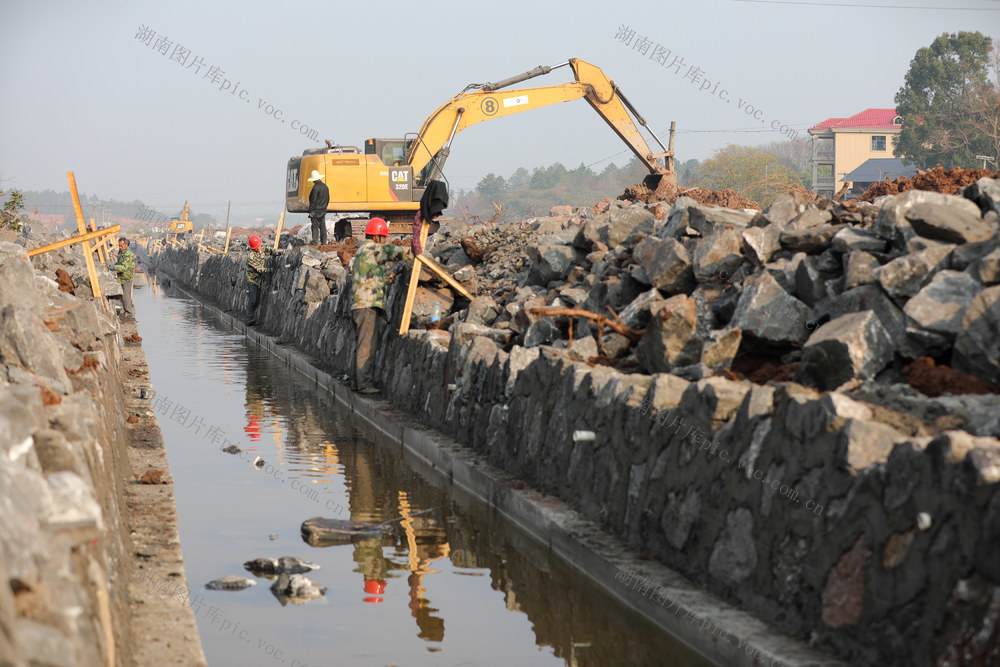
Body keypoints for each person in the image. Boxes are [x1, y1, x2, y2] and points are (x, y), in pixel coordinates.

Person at [348, 218, 412, 393]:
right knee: (367, 345)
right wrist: (414, 251)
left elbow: (373, 276)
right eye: (384, 238)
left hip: (358, 304)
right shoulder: (374, 249)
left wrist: (393, 274)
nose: (385, 241)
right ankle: (364, 384)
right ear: (377, 236)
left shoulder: (362, 252)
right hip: (368, 305)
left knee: (359, 343)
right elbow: (395, 252)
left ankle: (355, 382)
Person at [245, 235, 269, 325]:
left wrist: (277, 253)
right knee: (252, 300)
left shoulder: (260, 250)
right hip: (252, 281)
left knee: (257, 300)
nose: (260, 246)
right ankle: (249, 319)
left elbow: (268, 250)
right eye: (259, 244)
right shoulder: (251, 257)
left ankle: (252, 317)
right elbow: (259, 269)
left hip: (258, 280)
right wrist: (269, 270)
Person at [113, 237, 136, 317]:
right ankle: (124, 310)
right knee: (121, 295)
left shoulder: (128, 254)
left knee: (126, 294)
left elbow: (124, 267)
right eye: (119, 245)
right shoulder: (121, 251)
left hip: (127, 276)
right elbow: (119, 262)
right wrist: (115, 265)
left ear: (126, 245)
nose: (120, 247)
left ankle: (129, 312)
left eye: (121, 245)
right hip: (121, 276)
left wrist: (114, 267)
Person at [307, 170, 330, 246]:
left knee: (315, 227)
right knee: (323, 226)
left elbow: (313, 201)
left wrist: (311, 211)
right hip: (323, 210)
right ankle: (324, 242)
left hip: (316, 211)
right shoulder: (325, 187)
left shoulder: (315, 188)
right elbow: (328, 199)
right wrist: (324, 208)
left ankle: (315, 242)